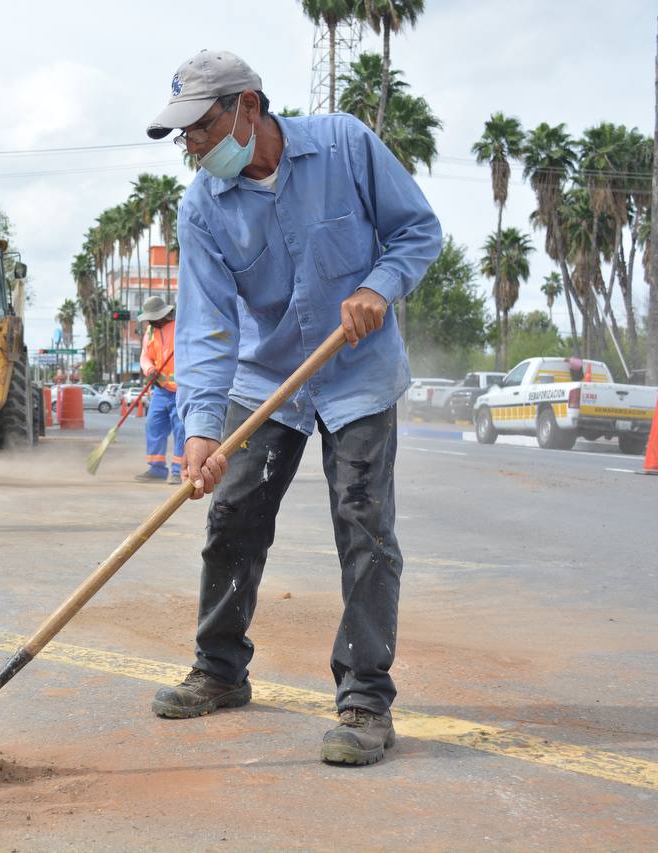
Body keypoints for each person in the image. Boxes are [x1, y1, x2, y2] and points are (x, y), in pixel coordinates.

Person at [144, 50, 441, 765]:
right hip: (266, 374)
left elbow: (417, 231)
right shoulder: (202, 207)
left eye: (200, 129)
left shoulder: (344, 145)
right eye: (182, 134)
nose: (191, 147)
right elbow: (209, 328)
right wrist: (200, 432)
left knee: (365, 526)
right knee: (232, 515)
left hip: (356, 370)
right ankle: (219, 667)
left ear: (249, 107)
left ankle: (366, 697)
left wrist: (382, 284)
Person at [134, 295, 184, 483]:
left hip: (182, 391)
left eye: (152, 318)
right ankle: (157, 468)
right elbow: (145, 356)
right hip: (161, 390)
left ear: (162, 315)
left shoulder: (181, 328)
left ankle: (178, 470)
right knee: (153, 425)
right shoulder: (150, 331)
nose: (149, 321)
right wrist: (150, 369)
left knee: (181, 429)